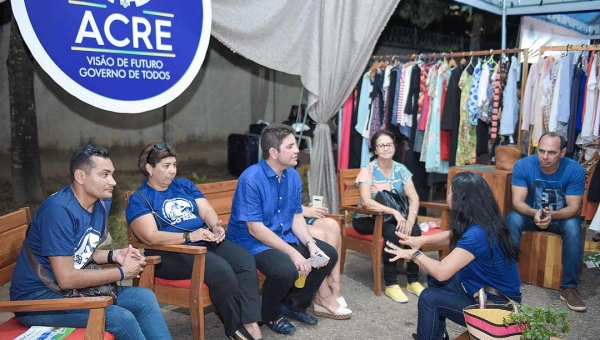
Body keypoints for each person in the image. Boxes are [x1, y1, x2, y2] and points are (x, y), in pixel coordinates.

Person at [10, 144, 172, 340]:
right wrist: (122, 272)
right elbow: (66, 278)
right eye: (104, 175)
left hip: (68, 292)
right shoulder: (58, 211)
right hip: (37, 299)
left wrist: (114, 254)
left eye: (112, 174)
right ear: (80, 177)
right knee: (120, 318)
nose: (113, 182)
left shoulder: (101, 202)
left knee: (144, 298)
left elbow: (79, 253)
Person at [125, 141, 262, 340]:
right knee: (221, 270)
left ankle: (251, 323)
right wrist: (190, 236)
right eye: (166, 166)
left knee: (245, 261)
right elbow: (150, 236)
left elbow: (205, 210)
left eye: (174, 165)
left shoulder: (184, 186)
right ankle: (235, 330)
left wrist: (214, 225)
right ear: (149, 168)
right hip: (170, 254)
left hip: (204, 241)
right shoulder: (141, 199)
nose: (172, 171)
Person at [226, 124, 351, 336]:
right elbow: (255, 229)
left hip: (282, 235)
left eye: (296, 145)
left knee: (326, 254)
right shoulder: (251, 178)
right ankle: (270, 315)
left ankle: (293, 305)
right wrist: (293, 253)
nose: (297, 150)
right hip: (251, 243)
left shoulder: (291, 175)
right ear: (274, 153)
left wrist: (311, 246)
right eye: (291, 146)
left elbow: (295, 216)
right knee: (285, 269)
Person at [384, 171, 522, 340]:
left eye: (450, 192)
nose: (447, 195)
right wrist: (421, 240)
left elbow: (442, 271)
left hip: (498, 309)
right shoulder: (485, 221)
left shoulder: (477, 234)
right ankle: (437, 334)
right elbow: (453, 234)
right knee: (434, 278)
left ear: (461, 200)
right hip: (489, 294)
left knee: (429, 298)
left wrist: (414, 254)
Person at [506, 132, 586, 312]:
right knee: (512, 219)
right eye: (541, 151)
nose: (544, 157)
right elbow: (517, 202)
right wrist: (536, 212)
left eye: (551, 152)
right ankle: (506, 279)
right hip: (530, 213)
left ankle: (569, 288)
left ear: (563, 152)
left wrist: (553, 215)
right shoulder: (523, 165)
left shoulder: (574, 170)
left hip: (560, 216)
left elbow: (574, 208)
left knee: (574, 227)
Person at [353, 129, 424, 303]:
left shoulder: (401, 170)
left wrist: (409, 219)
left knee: (414, 230)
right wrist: (394, 212)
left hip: (394, 218)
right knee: (392, 232)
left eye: (389, 145)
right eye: (381, 145)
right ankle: (391, 284)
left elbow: (414, 197)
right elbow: (366, 201)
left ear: (394, 147)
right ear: (375, 150)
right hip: (367, 218)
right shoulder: (368, 170)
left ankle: (413, 280)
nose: (385, 148)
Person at [302, 204, 347, 308]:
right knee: (319, 234)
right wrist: (303, 211)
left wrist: (309, 208)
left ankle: (334, 283)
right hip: (284, 219)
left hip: (298, 216)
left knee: (333, 225)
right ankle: (323, 292)